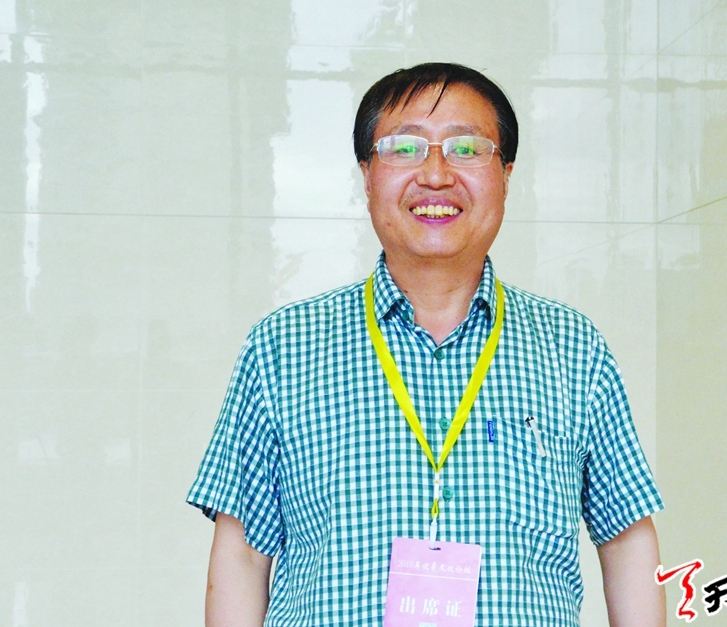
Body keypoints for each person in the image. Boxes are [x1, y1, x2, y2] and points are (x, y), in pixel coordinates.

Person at [188, 62, 665, 626]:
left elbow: (626, 540)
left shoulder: (573, 349)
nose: (436, 175)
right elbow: (242, 555)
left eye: (466, 149)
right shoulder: (282, 347)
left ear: (506, 176)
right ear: (367, 176)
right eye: (405, 149)